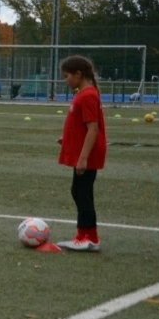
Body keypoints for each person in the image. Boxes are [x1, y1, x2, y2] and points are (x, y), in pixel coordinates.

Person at [56, 55, 107, 252]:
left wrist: (83, 158)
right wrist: (68, 139)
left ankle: (90, 237)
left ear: (78, 74)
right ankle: (82, 235)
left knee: (82, 193)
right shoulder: (83, 94)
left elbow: (93, 129)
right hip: (83, 152)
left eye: (67, 75)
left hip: (88, 155)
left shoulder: (87, 96)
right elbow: (82, 127)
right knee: (78, 191)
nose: (65, 80)